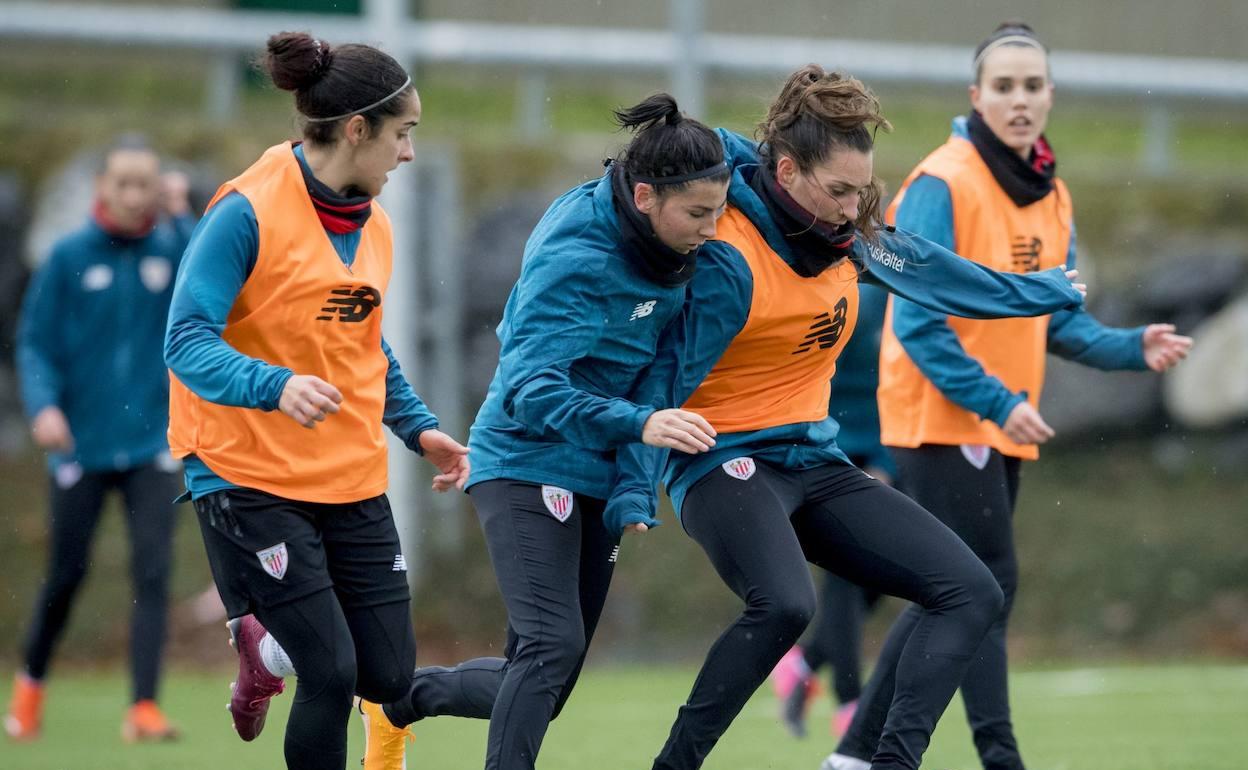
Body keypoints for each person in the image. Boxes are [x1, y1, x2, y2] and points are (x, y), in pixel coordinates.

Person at [222, 93, 729, 770]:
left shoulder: (682, 238)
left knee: (543, 680)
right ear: (644, 196)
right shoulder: (576, 253)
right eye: (699, 214)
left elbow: (652, 375)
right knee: (552, 648)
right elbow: (530, 389)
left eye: (719, 211)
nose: (713, 228)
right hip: (524, 457)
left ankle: (397, 703)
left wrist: (634, 485)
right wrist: (641, 425)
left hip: (598, 468)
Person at [605, 64, 1090, 770]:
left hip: (810, 458)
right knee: (785, 606)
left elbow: (924, 266)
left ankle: (870, 763)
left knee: (968, 591)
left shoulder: (844, 232)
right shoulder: (727, 253)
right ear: (787, 170)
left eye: (862, 191)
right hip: (721, 460)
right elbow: (660, 377)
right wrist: (630, 485)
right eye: (838, 191)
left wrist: (1029, 292)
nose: (852, 206)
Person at [826, 22, 1192, 770]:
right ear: (976, 97)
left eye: (1032, 85)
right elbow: (922, 327)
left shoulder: (1052, 193)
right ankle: (995, 756)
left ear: (1050, 96)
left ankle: (856, 754)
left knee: (955, 592)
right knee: (983, 582)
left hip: (998, 421)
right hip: (938, 415)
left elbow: (1054, 317)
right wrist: (996, 400)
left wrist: (1130, 347)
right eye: (1004, 86)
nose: (1019, 99)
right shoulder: (942, 183)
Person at [162, 32, 471, 770]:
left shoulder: (378, 225)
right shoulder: (246, 212)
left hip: (345, 475)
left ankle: (264, 645)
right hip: (245, 474)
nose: (409, 153)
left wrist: (418, 427)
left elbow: (364, 345)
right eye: (403, 133)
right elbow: (185, 339)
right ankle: (276, 640)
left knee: (386, 675)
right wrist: (273, 384)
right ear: (357, 129)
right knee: (330, 673)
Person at [5, 135, 194, 743]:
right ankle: (31, 686)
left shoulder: (173, 248)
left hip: (151, 445)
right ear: (103, 189)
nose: (136, 196)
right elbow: (34, 342)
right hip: (81, 445)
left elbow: (211, 293)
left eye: (147, 184)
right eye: (125, 184)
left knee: (154, 570)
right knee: (66, 575)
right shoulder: (67, 257)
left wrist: (185, 215)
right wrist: (44, 407)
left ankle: (143, 707)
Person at [770, 282, 893, 740]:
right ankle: (851, 707)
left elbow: (902, 386)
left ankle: (804, 662)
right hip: (829, 447)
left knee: (882, 576)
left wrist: (886, 461)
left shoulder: (909, 295)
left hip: (886, 444)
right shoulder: (833, 295)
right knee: (845, 576)